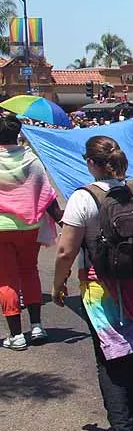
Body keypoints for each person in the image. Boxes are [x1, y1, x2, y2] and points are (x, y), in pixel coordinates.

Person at [53, 135, 133, 431]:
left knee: (109, 356)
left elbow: (65, 251)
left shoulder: (83, 197)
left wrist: (58, 284)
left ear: (91, 163)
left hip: (101, 287)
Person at [0, 112, 62, 350]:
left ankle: (16, 336)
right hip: (30, 227)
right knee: (29, 271)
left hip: (2, 229)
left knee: (6, 279)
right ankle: (37, 327)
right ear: (17, 133)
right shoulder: (31, 159)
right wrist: (64, 222)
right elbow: (47, 195)